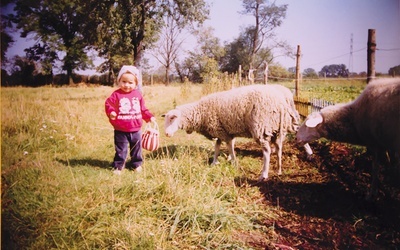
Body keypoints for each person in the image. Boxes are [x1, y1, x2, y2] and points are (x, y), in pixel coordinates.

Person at [105, 65, 155, 175]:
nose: (127, 85)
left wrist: (149, 117)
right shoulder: (116, 94)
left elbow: (143, 109)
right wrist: (111, 112)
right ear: (119, 81)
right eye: (124, 81)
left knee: (136, 148)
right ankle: (118, 165)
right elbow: (109, 104)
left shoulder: (137, 94)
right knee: (121, 149)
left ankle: (136, 164)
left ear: (136, 83)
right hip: (120, 129)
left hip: (136, 128)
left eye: (130, 82)